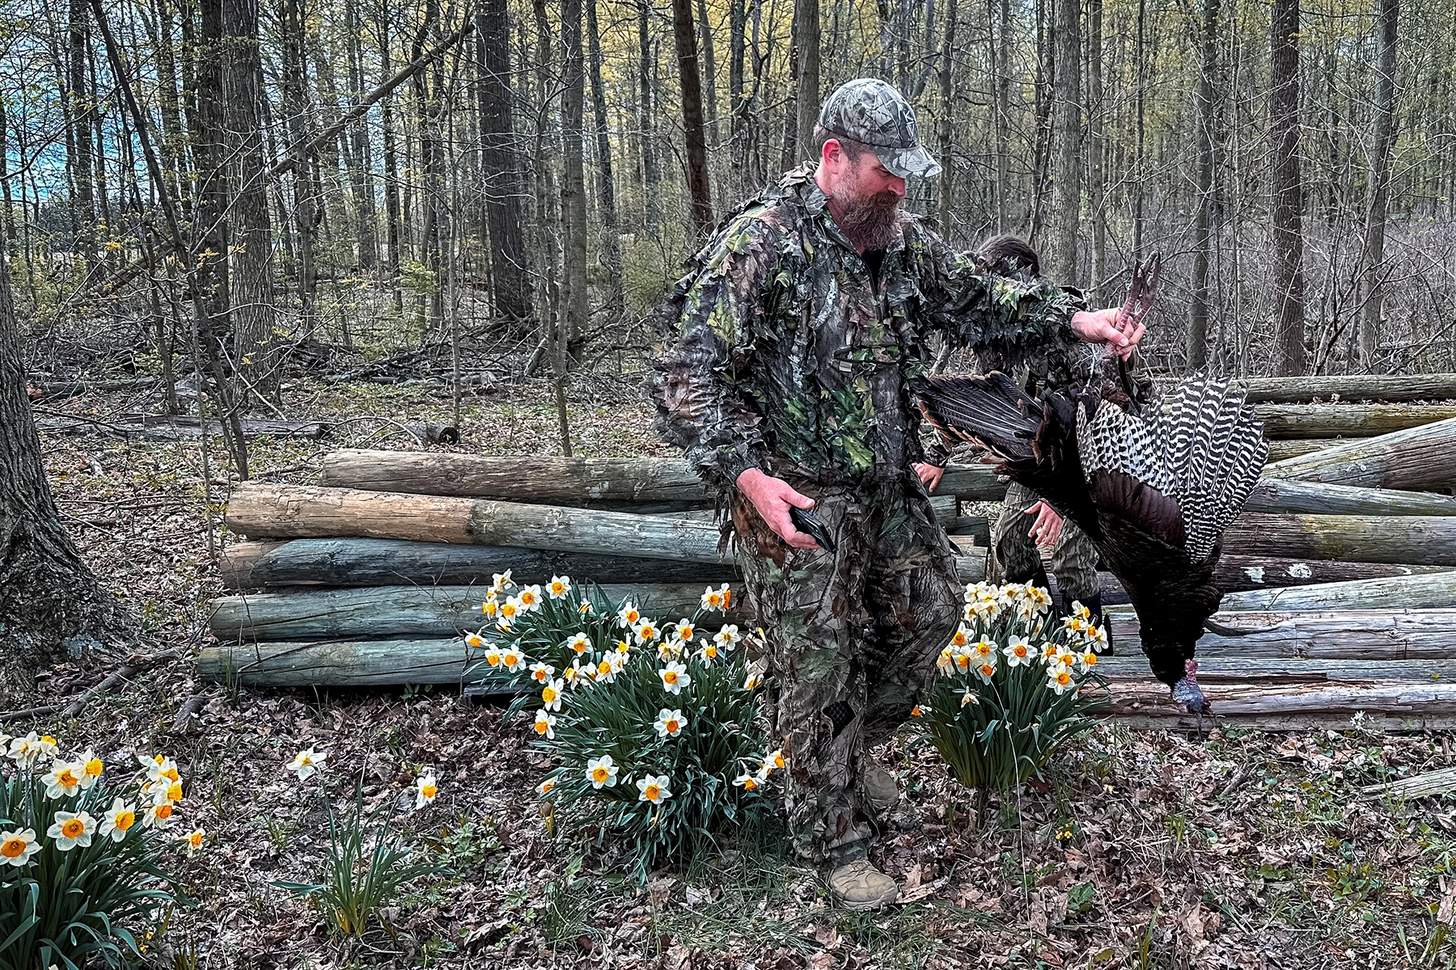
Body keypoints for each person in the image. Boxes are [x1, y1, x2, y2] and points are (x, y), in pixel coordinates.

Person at [651, 78, 1144, 911]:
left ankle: (848, 752)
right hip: (797, 498)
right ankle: (835, 842)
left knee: (934, 612)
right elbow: (682, 375)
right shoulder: (761, 246)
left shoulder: (903, 244)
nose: (901, 187)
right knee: (820, 667)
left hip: (884, 483)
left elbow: (978, 302)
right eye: (888, 169)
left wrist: (1074, 321)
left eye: (908, 172)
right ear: (834, 158)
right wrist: (744, 475)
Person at [973, 234, 1103, 624]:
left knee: (1069, 556)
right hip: (1040, 459)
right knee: (1010, 539)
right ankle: (1042, 629)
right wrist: (936, 458)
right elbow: (983, 399)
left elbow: (1093, 419)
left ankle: (1092, 640)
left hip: (1091, 462)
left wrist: (1060, 499)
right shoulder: (993, 336)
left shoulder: (1066, 335)